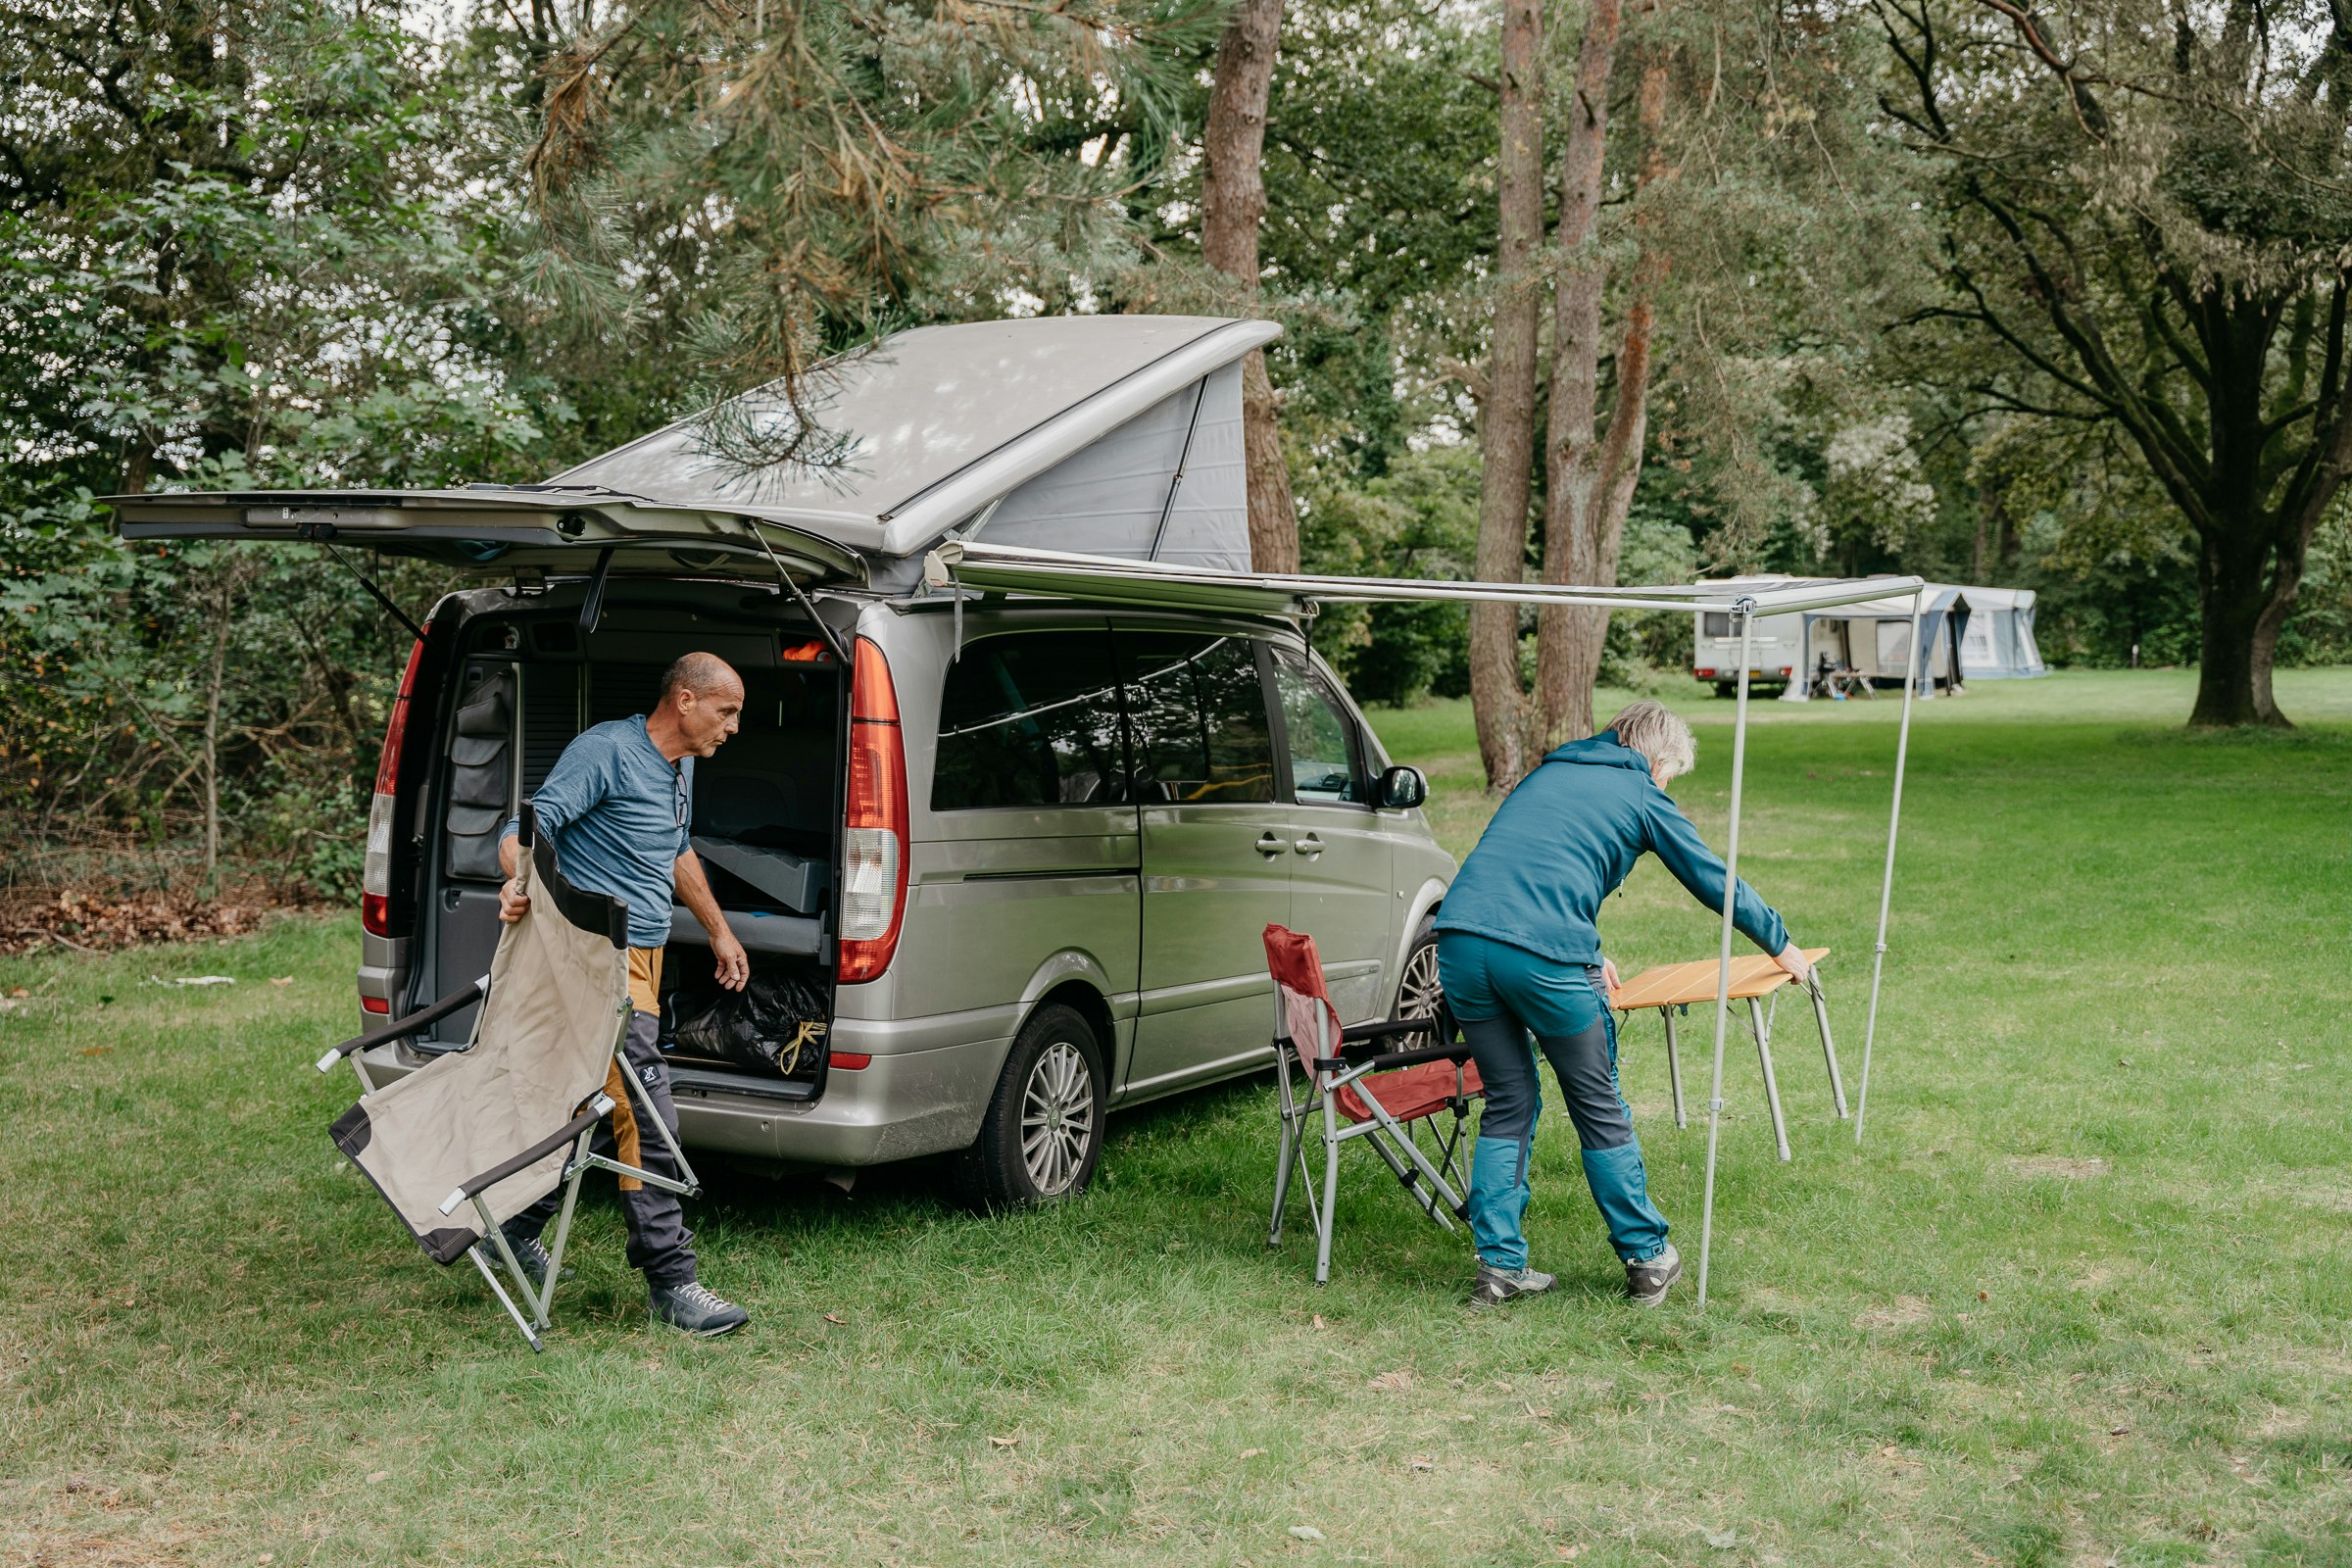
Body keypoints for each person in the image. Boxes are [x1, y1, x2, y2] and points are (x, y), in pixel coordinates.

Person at [1434, 699, 1811, 1309]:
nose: (1666, 786)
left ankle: (1498, 1269)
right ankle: (1646, 1257)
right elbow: (1712, 878)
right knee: (1597, 1104)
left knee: (1507, 1100)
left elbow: (1530, 868)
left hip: (1459, 942)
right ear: (1657, 760)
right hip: (1542, 958)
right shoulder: (1640, 793)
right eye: (1669, 776)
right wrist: (1782, 944)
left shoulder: (1547, 774)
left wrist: (1587, 946)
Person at [493, 652, 756, 1338]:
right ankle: (673, 1282)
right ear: (686, 701)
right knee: (647, 1111)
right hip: (594, 961)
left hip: (645, 956)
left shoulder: (678, 768)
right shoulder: (606, 750)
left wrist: (720, 932)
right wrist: (519, 882)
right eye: (727, 712)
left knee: (582, 1102)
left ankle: (510, 1229)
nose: (733, 728)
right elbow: (527, 830)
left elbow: (674, 849)